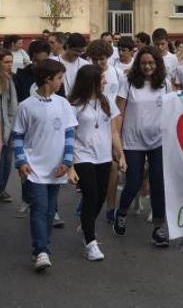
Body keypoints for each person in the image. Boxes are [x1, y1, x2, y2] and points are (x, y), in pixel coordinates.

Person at [12, 59, 77, 271]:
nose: (61, 82)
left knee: (50, 210)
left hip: (56, 167)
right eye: (59, 78)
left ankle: (43, 245)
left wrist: (67, 161)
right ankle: (41, 250)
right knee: (39, 208)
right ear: (48, 79)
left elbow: (69, 133)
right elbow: (18, 136)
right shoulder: (26, 106)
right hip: (34, 169)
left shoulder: (63, 104)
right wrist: (21, 161)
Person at [112, 46, 171, 246]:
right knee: (134, 181)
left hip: (159, 140)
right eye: (144, 63)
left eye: (152, 63)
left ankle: (158, 228)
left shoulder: (165, 84)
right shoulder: (127, 82)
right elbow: (118, 113)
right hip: (132, 140)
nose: (148, 66)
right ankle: (121, 212)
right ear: (138, 64)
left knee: (158, 182)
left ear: (158, 64)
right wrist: (116, 142)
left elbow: (174, 110)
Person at [67, 64, 125, 261]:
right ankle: (90, 242)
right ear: (91, 81)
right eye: (101, 79)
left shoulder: (106, 100)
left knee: (100, 196)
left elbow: (114, 131)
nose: (105, 81)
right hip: (82, 156)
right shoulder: (74, 104)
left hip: (104, 157)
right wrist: (70, 165)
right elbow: (69, 135)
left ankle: (86, 223)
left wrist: (120, 154)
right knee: (90, 195)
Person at [0, 49, 19, 203]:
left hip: (10, 126)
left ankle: (1, 189)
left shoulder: (8, 78)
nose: (9, 65)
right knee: (4, 161)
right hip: (4, 127)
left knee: (7, 161)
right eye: (6, 62)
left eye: (11, 61)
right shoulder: (2, 80)